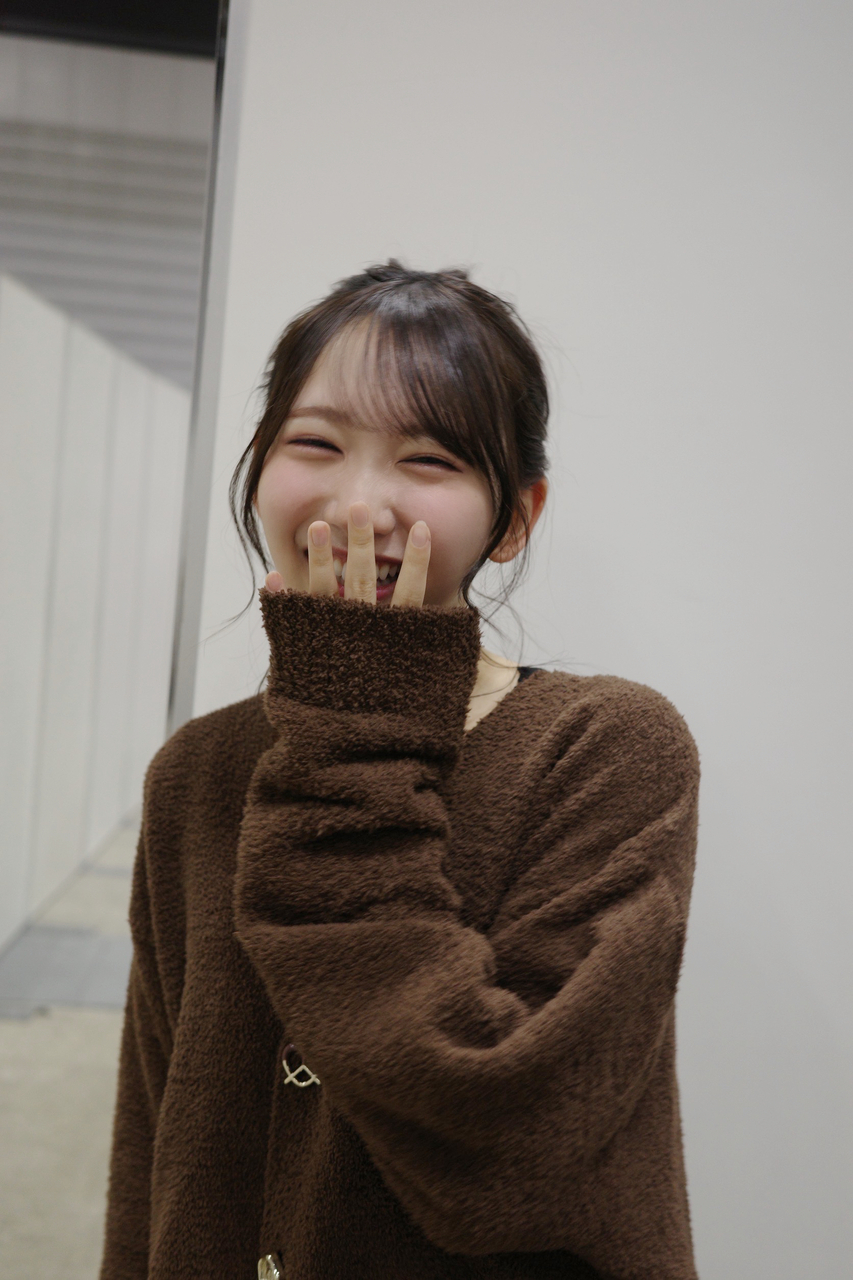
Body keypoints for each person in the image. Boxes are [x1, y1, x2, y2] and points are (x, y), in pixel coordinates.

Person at [99, 261, 701, 1280]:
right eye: (314, 443)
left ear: (515, 515)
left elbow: (510, 1150)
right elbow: (156, 1143)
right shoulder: (196, 772)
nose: (361, 503)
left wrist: (352, 722)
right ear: (258, 466)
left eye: (427, 459)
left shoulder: (606, 746)